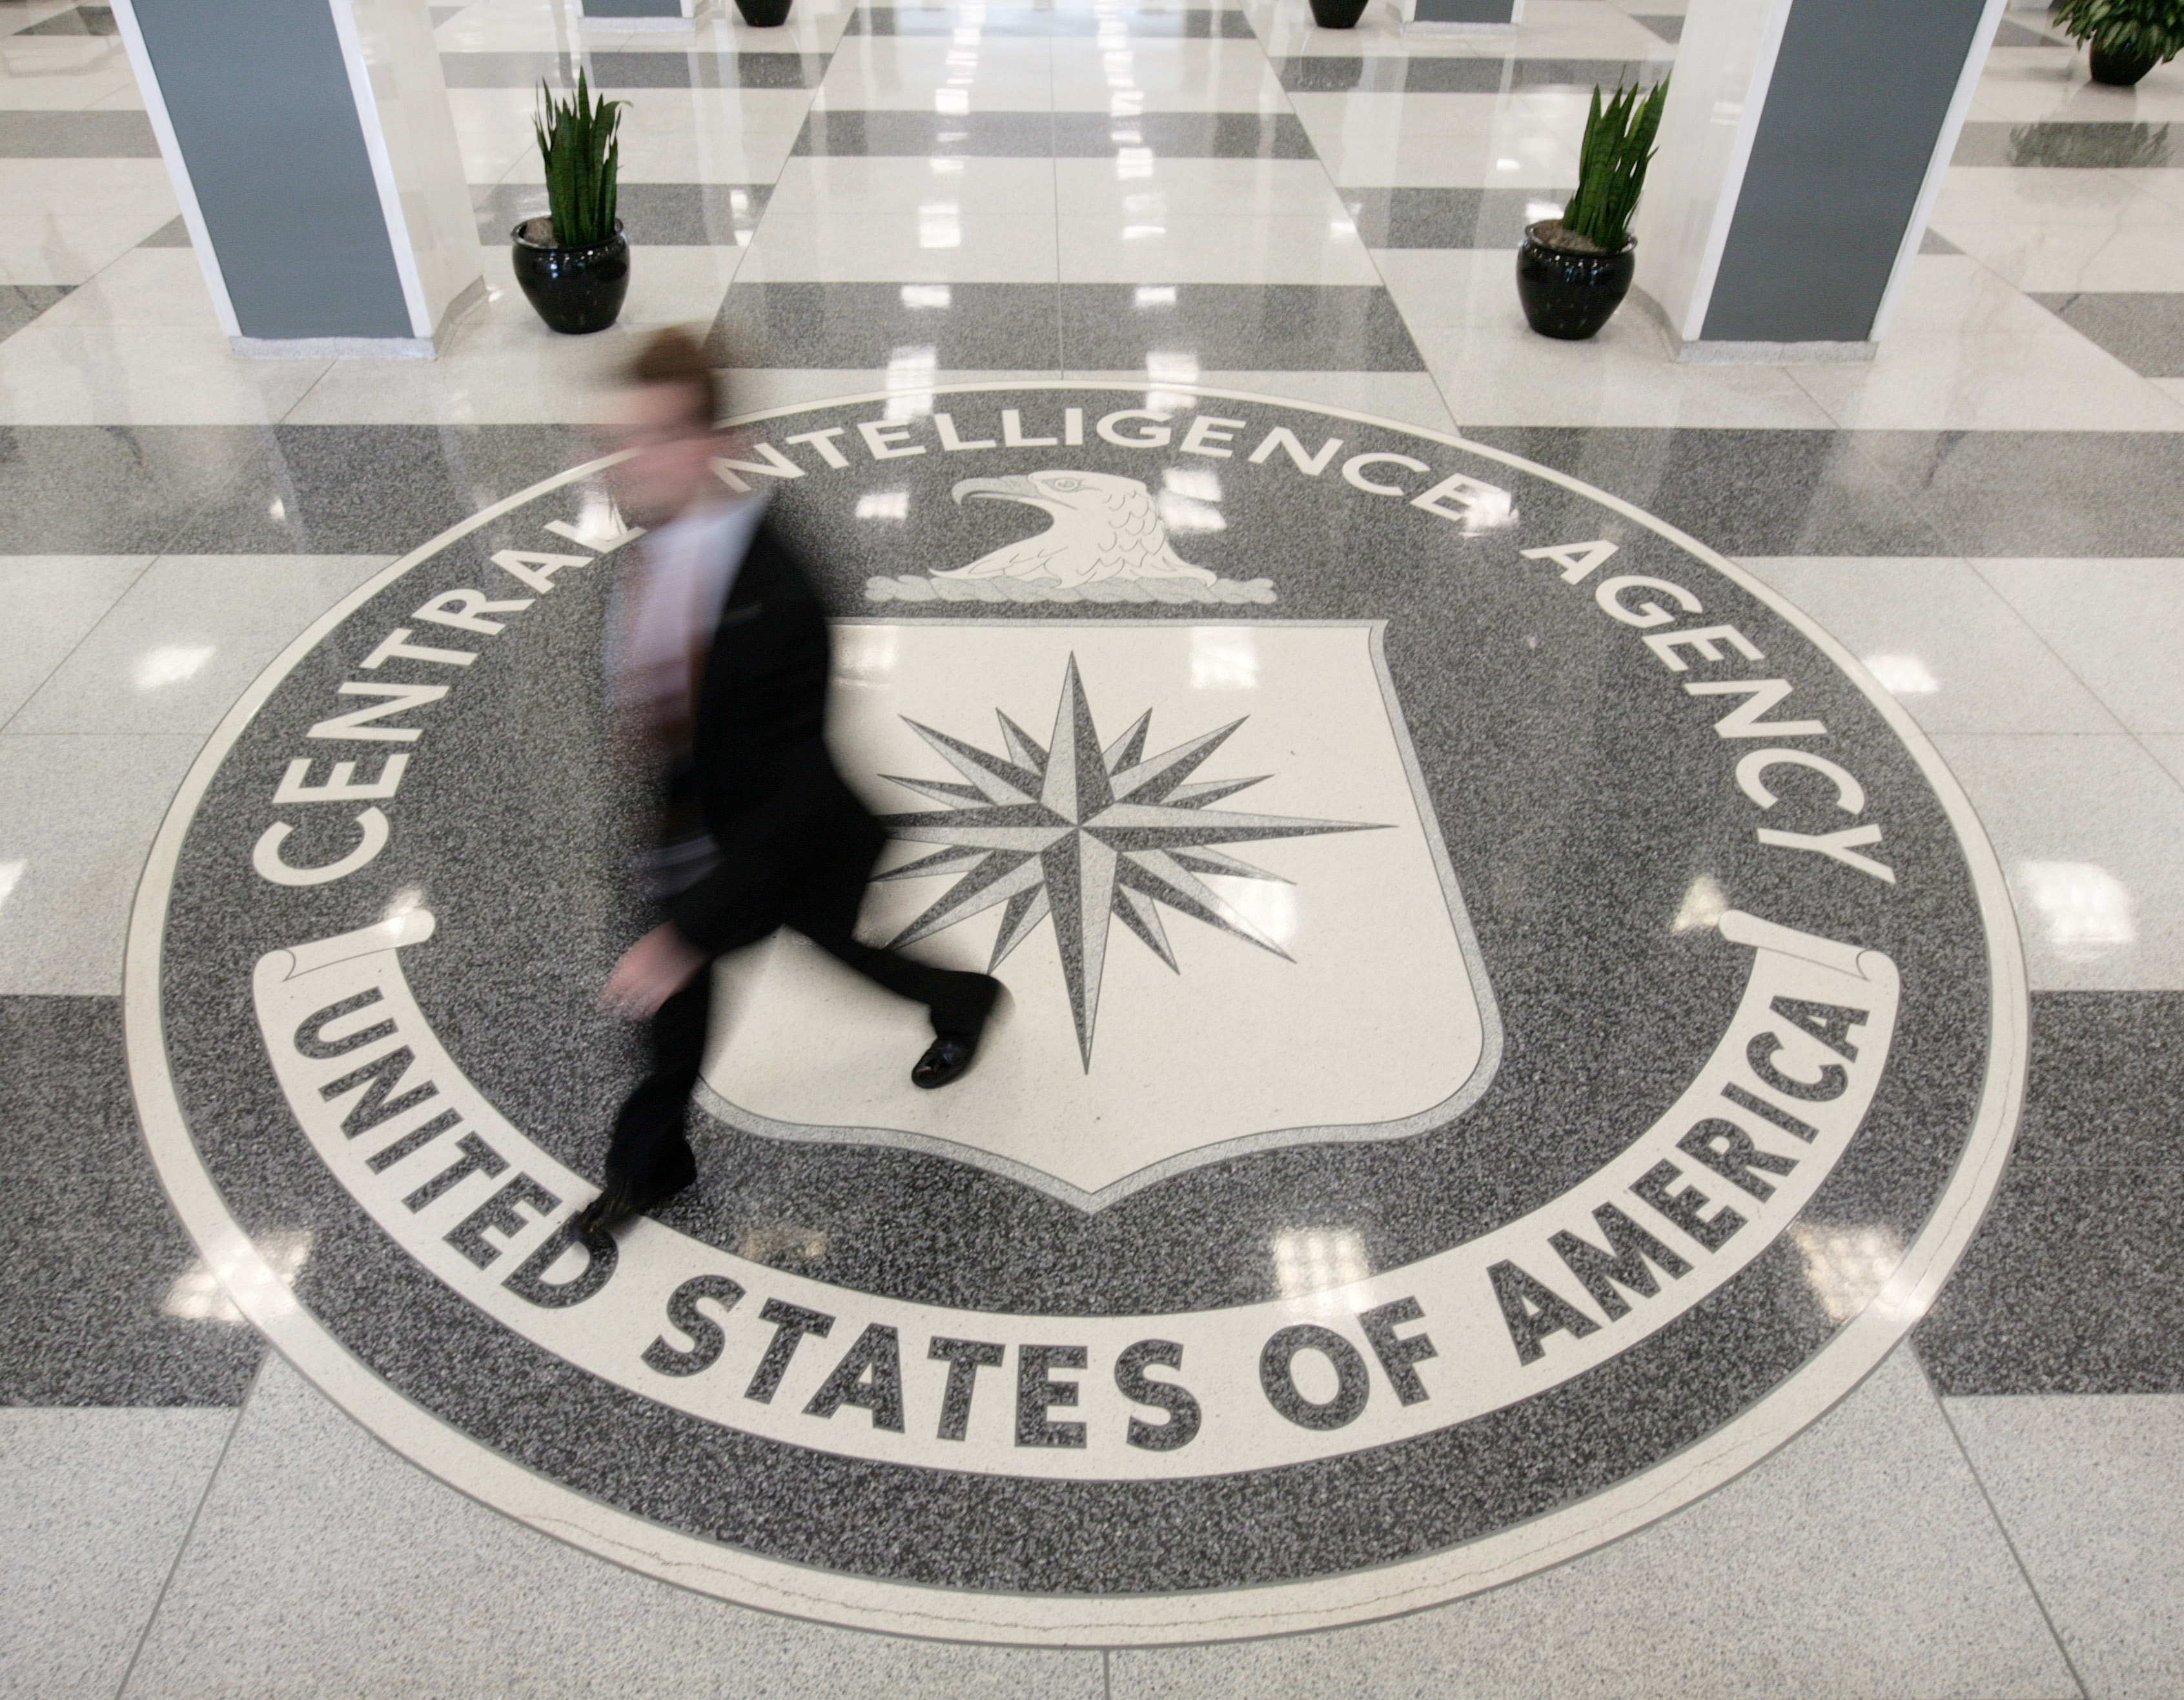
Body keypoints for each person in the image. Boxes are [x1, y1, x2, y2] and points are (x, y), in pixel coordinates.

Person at [572, 327, 1001, 1242]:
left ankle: (966, 1001)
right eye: (620, 441)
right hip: (689, 831)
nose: (626, 465)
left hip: (787, 844)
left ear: (708, 446)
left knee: (850, 955)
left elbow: (793, 796)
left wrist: (682, 933)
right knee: (671, 1030)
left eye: (650, 442)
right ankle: (651, 1166)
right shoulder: (651, 541)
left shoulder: (782, 595)